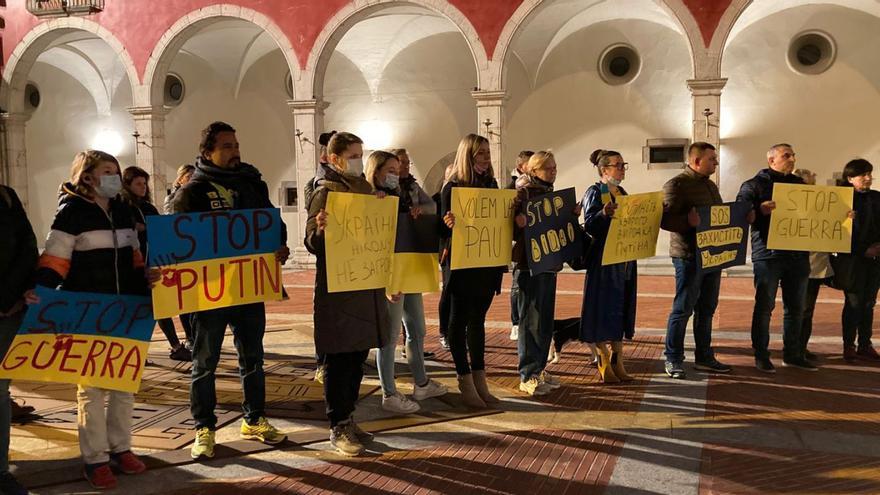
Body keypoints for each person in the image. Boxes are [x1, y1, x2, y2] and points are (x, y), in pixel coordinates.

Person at [30, 150, 149, 489]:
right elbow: (55, 260)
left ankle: (121, 448)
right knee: (92, 389)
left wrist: (146, 285)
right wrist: (40, 295)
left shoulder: (125, 211)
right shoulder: (72, 214)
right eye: (108, 171)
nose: (115, 177)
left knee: (124, 384)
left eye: (117, 171)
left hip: (125, 309)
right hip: (87, 312)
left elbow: (136, 258)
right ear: (88, 177)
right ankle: (95, 458)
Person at [172, 122, 290, 460]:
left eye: (236, 144)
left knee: (252, 358)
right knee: (204, 362)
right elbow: (177, 242)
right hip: (209, 294)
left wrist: (278, 246)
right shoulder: (191, 191)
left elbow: (272, 225)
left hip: (248, 287)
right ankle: (204, 427)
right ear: (208, 152)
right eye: (226, 146)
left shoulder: (252, 184)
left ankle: (254, 419)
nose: (235, 150)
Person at [305, 132, 391, 457]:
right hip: (338, 291)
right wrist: (321, 230)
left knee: (357, 358)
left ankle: (350, 417)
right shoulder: (324, 192)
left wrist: (380, 210)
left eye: (360, 154)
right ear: (335, 158)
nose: (358, 159)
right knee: (339, 359)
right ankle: (337, 425)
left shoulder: (366, 190)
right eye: (353, 154)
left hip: (364, 286)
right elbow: (310, 241)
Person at [367, 151, 448, 414]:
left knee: (417, 329)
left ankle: (421, 383)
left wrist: (419, 210)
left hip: (409, 269)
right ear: (376, 171)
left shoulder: (409, 190)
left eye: (399, 167)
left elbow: (431, 208)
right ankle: (389, 392)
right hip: (389, 274)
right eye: (390, 169)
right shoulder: (367, 196)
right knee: (389, 337)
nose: (396, 172)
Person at [736, 143, 816, 373]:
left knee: (796, 307)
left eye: (793, 155)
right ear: (771, 160)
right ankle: (761, 354)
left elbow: (814, 215)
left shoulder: (800, 185)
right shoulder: (753, 185)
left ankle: (793, 354)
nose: (792, 159)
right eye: (786, 155)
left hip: (798, 254)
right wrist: (759, 209)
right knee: (764, 307)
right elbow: (741, 214)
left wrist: (841, 215)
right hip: (768, 255)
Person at [440, 134, 504, 409]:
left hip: (485, 265)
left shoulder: (492, 185)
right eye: (480, 153)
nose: (486, 157)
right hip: (461, 266)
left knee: (478, 322)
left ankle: (480, 380)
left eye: (488, 152)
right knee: (457, 322)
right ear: (467, 155)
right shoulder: (452, 188)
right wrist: (448, 223)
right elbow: (440, 229)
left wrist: (511, 211)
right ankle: (464, 381)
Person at [661, 142, 734, 379]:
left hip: (712, 255)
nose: (716, 163)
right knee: (683, 309)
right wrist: (687, 223)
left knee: (707, 309)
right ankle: (673, 358)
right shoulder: (676, 185)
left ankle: (704, 357)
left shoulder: (710, 186)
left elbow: (718, 216)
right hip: (689, 257)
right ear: (696, 161)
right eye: (712, 159)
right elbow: (665, 220)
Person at [512, 151, 568, 395]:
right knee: (530, 322)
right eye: (548, 168)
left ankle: (539, 368)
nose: (553, 171)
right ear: (533, 171)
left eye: (555, 167)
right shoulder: (522, 194)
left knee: (545, 321)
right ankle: (527, 374)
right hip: (529, 266)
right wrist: (518, 222)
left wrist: (570, 216)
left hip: (549, 264)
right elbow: (510, 229)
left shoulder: (551, 195)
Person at [122, 166, 191, 361]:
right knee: (139, 310)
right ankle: (135, 351)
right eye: (138, 184)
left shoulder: (148, 207)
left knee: (158, 307)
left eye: (145, 183)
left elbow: (161, 230)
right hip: (133, 267)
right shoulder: (122, 208)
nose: (143, 187)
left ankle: (175, 346)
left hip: (153, 264)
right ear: (127, 185)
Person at [580, 150, 636, 384]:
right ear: (604, 170)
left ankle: (618, 360)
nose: (622, 168)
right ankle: (604, 361)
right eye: (618, 165)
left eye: (624, 164)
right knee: (603, 309)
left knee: (620, 308)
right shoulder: (595, 192)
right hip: (604, 261)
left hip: (624, 260)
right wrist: (603, 213)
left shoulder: (622, 193)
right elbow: (590, 224)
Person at [0, 183, 38, 495]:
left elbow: (27, 246)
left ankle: (0, 470)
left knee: (0, 389)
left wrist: (12, 297)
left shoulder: (7, 196)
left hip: (7, 308)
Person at [392, 148, 436, 361]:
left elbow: (432, 206)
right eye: (402, 162)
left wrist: (421, 210)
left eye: (408, 162)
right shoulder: (382, 188)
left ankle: (414, 356)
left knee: (415, 322)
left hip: (410, 251)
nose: (406, 165)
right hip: (392, 256)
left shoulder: (413, 187)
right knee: (392, 316)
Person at [836, 159, 880, 362]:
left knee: (869, 302)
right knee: (853, 302)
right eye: (863, 174)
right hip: (853, 259)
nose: (868, 178)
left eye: (869, 173)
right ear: (850, 178)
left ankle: (865, 343)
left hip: (875, 258)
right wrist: (863, 250)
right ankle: (848, 345)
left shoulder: (877, 197)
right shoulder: (840, 199)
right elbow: (838, 232)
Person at [792, 168, 830, 364]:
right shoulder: (790, 206)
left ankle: (801, 346)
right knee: (798, 310)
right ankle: (793, 348)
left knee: (808, 310)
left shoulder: (822, 205)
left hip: (815, 264)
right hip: (797, 263)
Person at [507, 150, 534, 341]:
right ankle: (516, 322)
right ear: (520, 167)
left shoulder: (538, 188)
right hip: (518, 247)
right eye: (529, 164)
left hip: (534, 246)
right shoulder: (512, 188)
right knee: (517, 286)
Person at [436, 163, 456, 351]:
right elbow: (438, 228)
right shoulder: (439, 199)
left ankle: (457, 330)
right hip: (447, 251)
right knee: (448, 291)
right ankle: (444, 331)